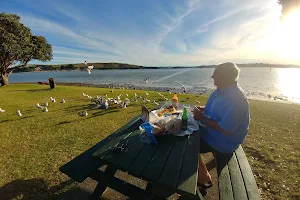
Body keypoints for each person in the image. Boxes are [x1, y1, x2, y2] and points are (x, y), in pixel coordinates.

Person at [193, 62, 250, 188]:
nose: (212, 77)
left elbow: (227, 130)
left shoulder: (237, 100)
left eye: (215, 75)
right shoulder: (221, 90)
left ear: (226, 77)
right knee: (186, 134)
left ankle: (204, 180)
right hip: (212, 131)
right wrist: (203, 109)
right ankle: (202, 174)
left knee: (188, 145)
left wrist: (202, 117)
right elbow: (217, 110)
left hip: (224, 141)